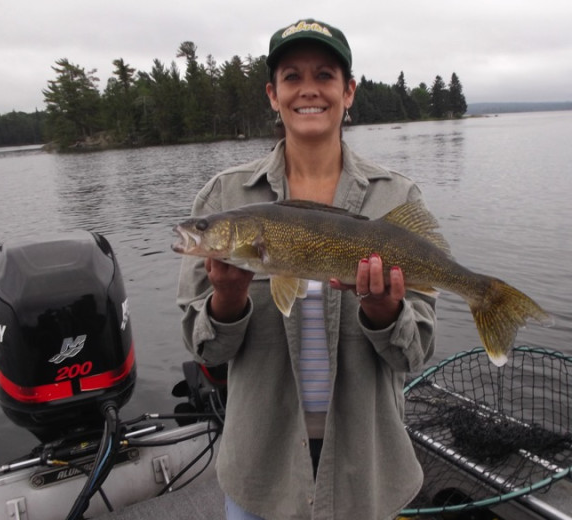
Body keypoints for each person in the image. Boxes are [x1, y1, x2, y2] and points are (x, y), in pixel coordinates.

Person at [177, 18, 436, 520]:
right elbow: (204, 348)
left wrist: (385, 313)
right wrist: (226, 302)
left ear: (349, 91)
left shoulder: (396, 197)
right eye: (292, 77)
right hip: (262, 469)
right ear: (273, 95)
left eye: (325, 75)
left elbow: (417, 351)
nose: (309, 89)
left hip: (367, 470)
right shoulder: (225, 197)